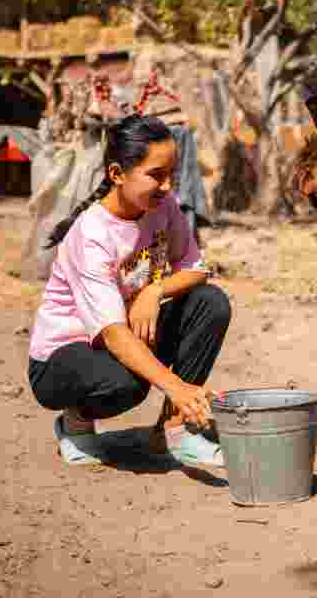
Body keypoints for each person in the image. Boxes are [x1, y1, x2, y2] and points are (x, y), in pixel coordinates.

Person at [27, 115, 231, 467]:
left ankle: (175, 431)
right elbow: (114, 335)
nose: (167, 186)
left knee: (211, 303)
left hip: (125, 333)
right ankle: (75, 424)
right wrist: (177, 387)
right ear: (117, 174)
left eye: (171, 174)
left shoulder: (163, 206)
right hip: (64, 358)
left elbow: (197, 269)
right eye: (156, 175)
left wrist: (155, 291)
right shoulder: (92, 234)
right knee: (127, 383)